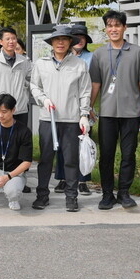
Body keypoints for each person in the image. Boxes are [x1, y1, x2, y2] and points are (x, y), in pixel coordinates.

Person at [89, 10, 140, 210]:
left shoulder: (137, 52)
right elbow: (96, 83)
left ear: (125, 27)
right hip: (107, 113)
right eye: (110, 26)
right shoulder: (99, 54)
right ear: (106, 29)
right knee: (106, 155)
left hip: (131, 112)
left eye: (117, 25)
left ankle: (124, 193)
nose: (113, 29)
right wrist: (89, 107)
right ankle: (107, 194)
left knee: (128, 154)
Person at [29, 24, 92, 212]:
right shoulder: (41, 63)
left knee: (70, 160)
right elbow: (34, 86)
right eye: (57, 39)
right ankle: (42, 195)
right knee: (45, 159)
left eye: (64, 39)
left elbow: (85, 92)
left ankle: (71, 197)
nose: (61, 43)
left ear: (70, 42)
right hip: (48, 119)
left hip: (71, 120)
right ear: (52, 42)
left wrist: (84, 115)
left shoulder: (79, 65)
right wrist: (44, 99)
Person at [54, 22, 95, 194]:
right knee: (63, 146)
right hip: (64, 108)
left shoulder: (92, 58)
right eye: (76, 37)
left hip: (85, 107)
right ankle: (63, 178)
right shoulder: (63, 56)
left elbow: (94, 84)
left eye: (82, 37)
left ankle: (83, 180)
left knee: (83, 144)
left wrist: (89, 107)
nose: (80, 40)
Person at [0, 28, 32, 128]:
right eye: (7, 39)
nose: (11, 41)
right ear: (1, 42)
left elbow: (32, 80)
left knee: (20, 136)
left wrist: (24, 92)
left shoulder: (24, 61)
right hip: (1, 111)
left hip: (20, 110)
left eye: (13, 38)